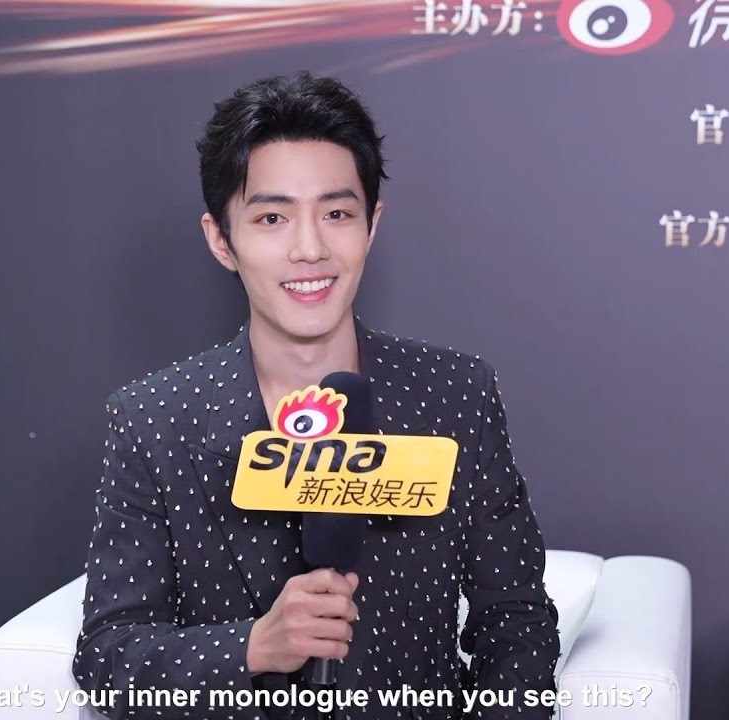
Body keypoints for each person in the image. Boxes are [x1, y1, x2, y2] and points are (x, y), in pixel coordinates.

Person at [74, 71, 559, 720]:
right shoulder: (153, 420)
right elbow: (108, 657)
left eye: (336, 214)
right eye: (272, 218)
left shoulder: (455, 397)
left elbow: (517, 622)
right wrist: (253, 645)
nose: (310, 249)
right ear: (221, 239)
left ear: (371, 226)